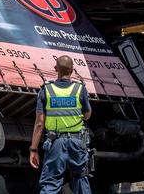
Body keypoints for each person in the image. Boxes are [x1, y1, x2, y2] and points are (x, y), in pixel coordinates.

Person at [29, 55, 92, 194]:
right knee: (81, 178)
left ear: (56, 69)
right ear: (72, 70)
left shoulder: (46, 90)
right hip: (77, 142)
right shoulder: (79, 89)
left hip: (55, 142)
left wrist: (33, 150)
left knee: (50, 182)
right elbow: (87, 115)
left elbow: (39, 124)